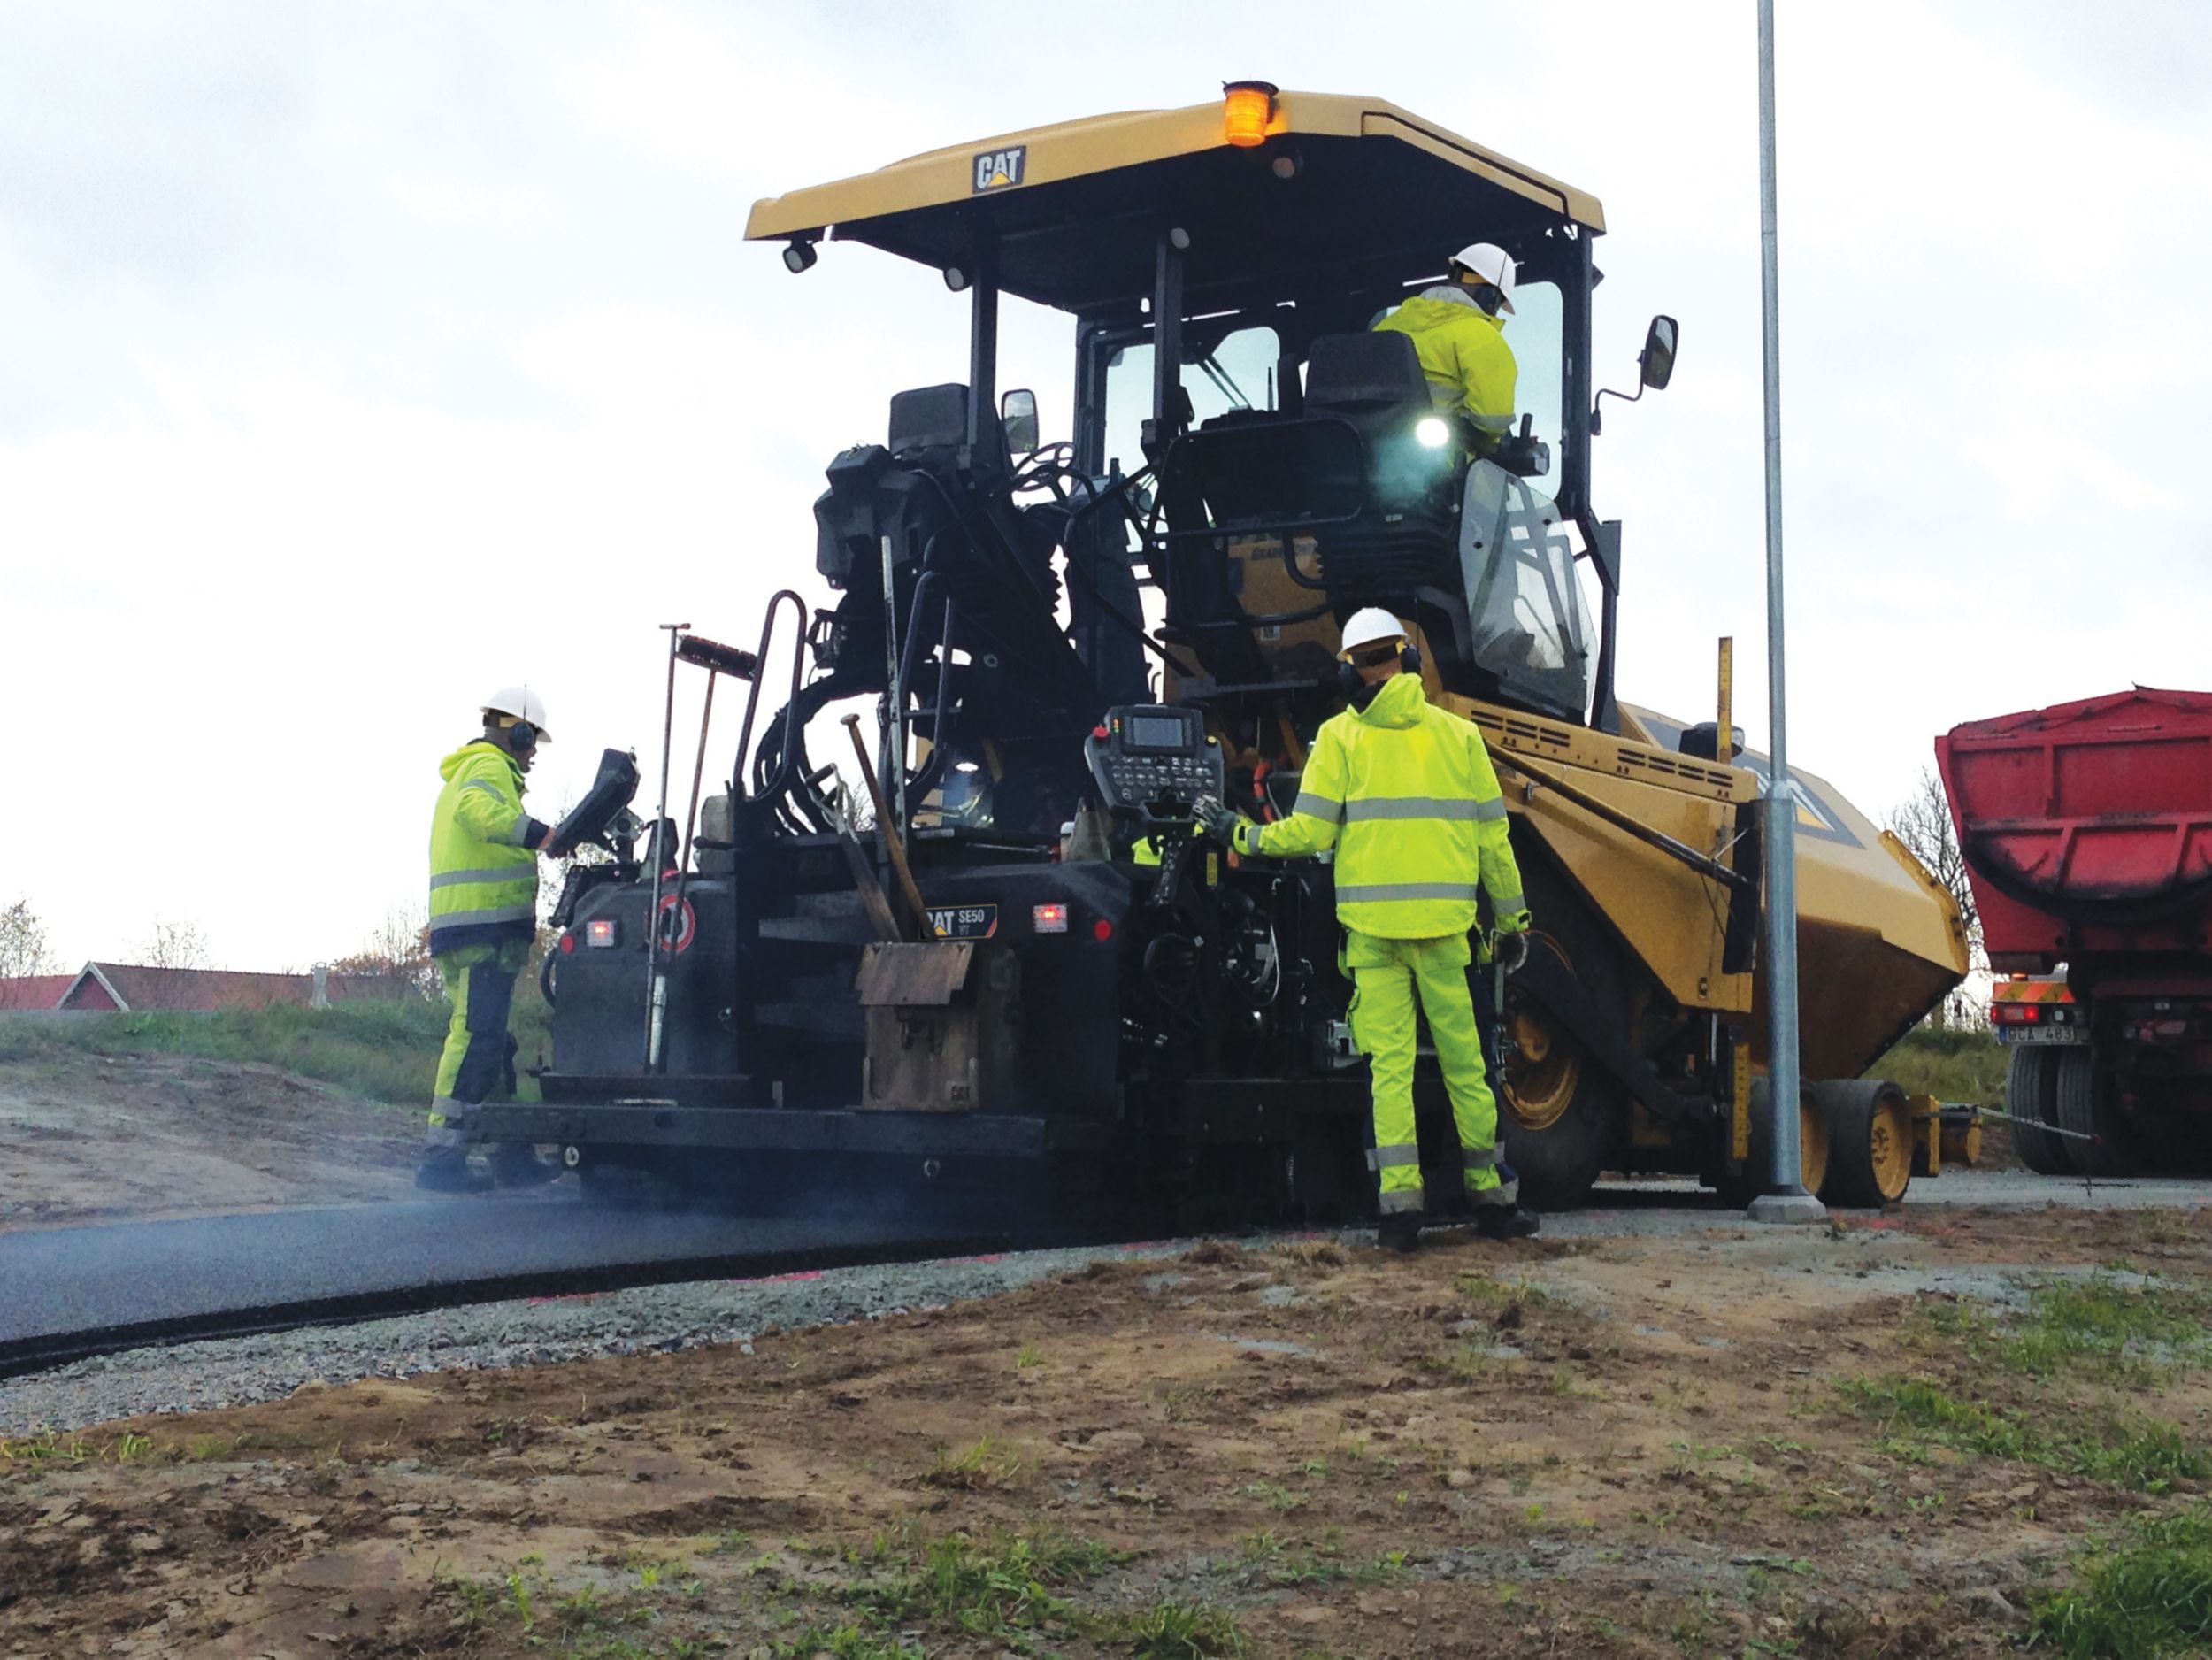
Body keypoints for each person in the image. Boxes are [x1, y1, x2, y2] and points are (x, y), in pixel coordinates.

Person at [1198, 610, 1540, 1249]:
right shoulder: (1459, 738)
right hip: (1446, 936)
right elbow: (1495, 840)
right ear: (1409, 661)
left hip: (1374, 938)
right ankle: (1493, 1204)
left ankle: (1399, 1214)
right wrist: (1513, 919)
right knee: (1469, 1070)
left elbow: (1310, 835)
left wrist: (1237, 832)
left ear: (1349, 671)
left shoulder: (1339, 740)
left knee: (1390, 1071)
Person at [416, 687, 565, 1193]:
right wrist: (539, 834)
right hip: (480, 931)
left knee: (494, 1043)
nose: (533, 753)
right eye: (531, 741)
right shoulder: (487, 767)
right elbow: (476, 811)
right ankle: (441, 1160)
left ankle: (511, 1154)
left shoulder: (476, 769)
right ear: (516, 732)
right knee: (475, 1035)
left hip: (476, 930)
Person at [1371, 242, 1519, 457]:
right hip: (1442, 471)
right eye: (1498, 303)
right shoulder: (1482, 338)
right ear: (1490, 297)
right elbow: (1491, 422)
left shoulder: (1384, 327)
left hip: (1370, 459)